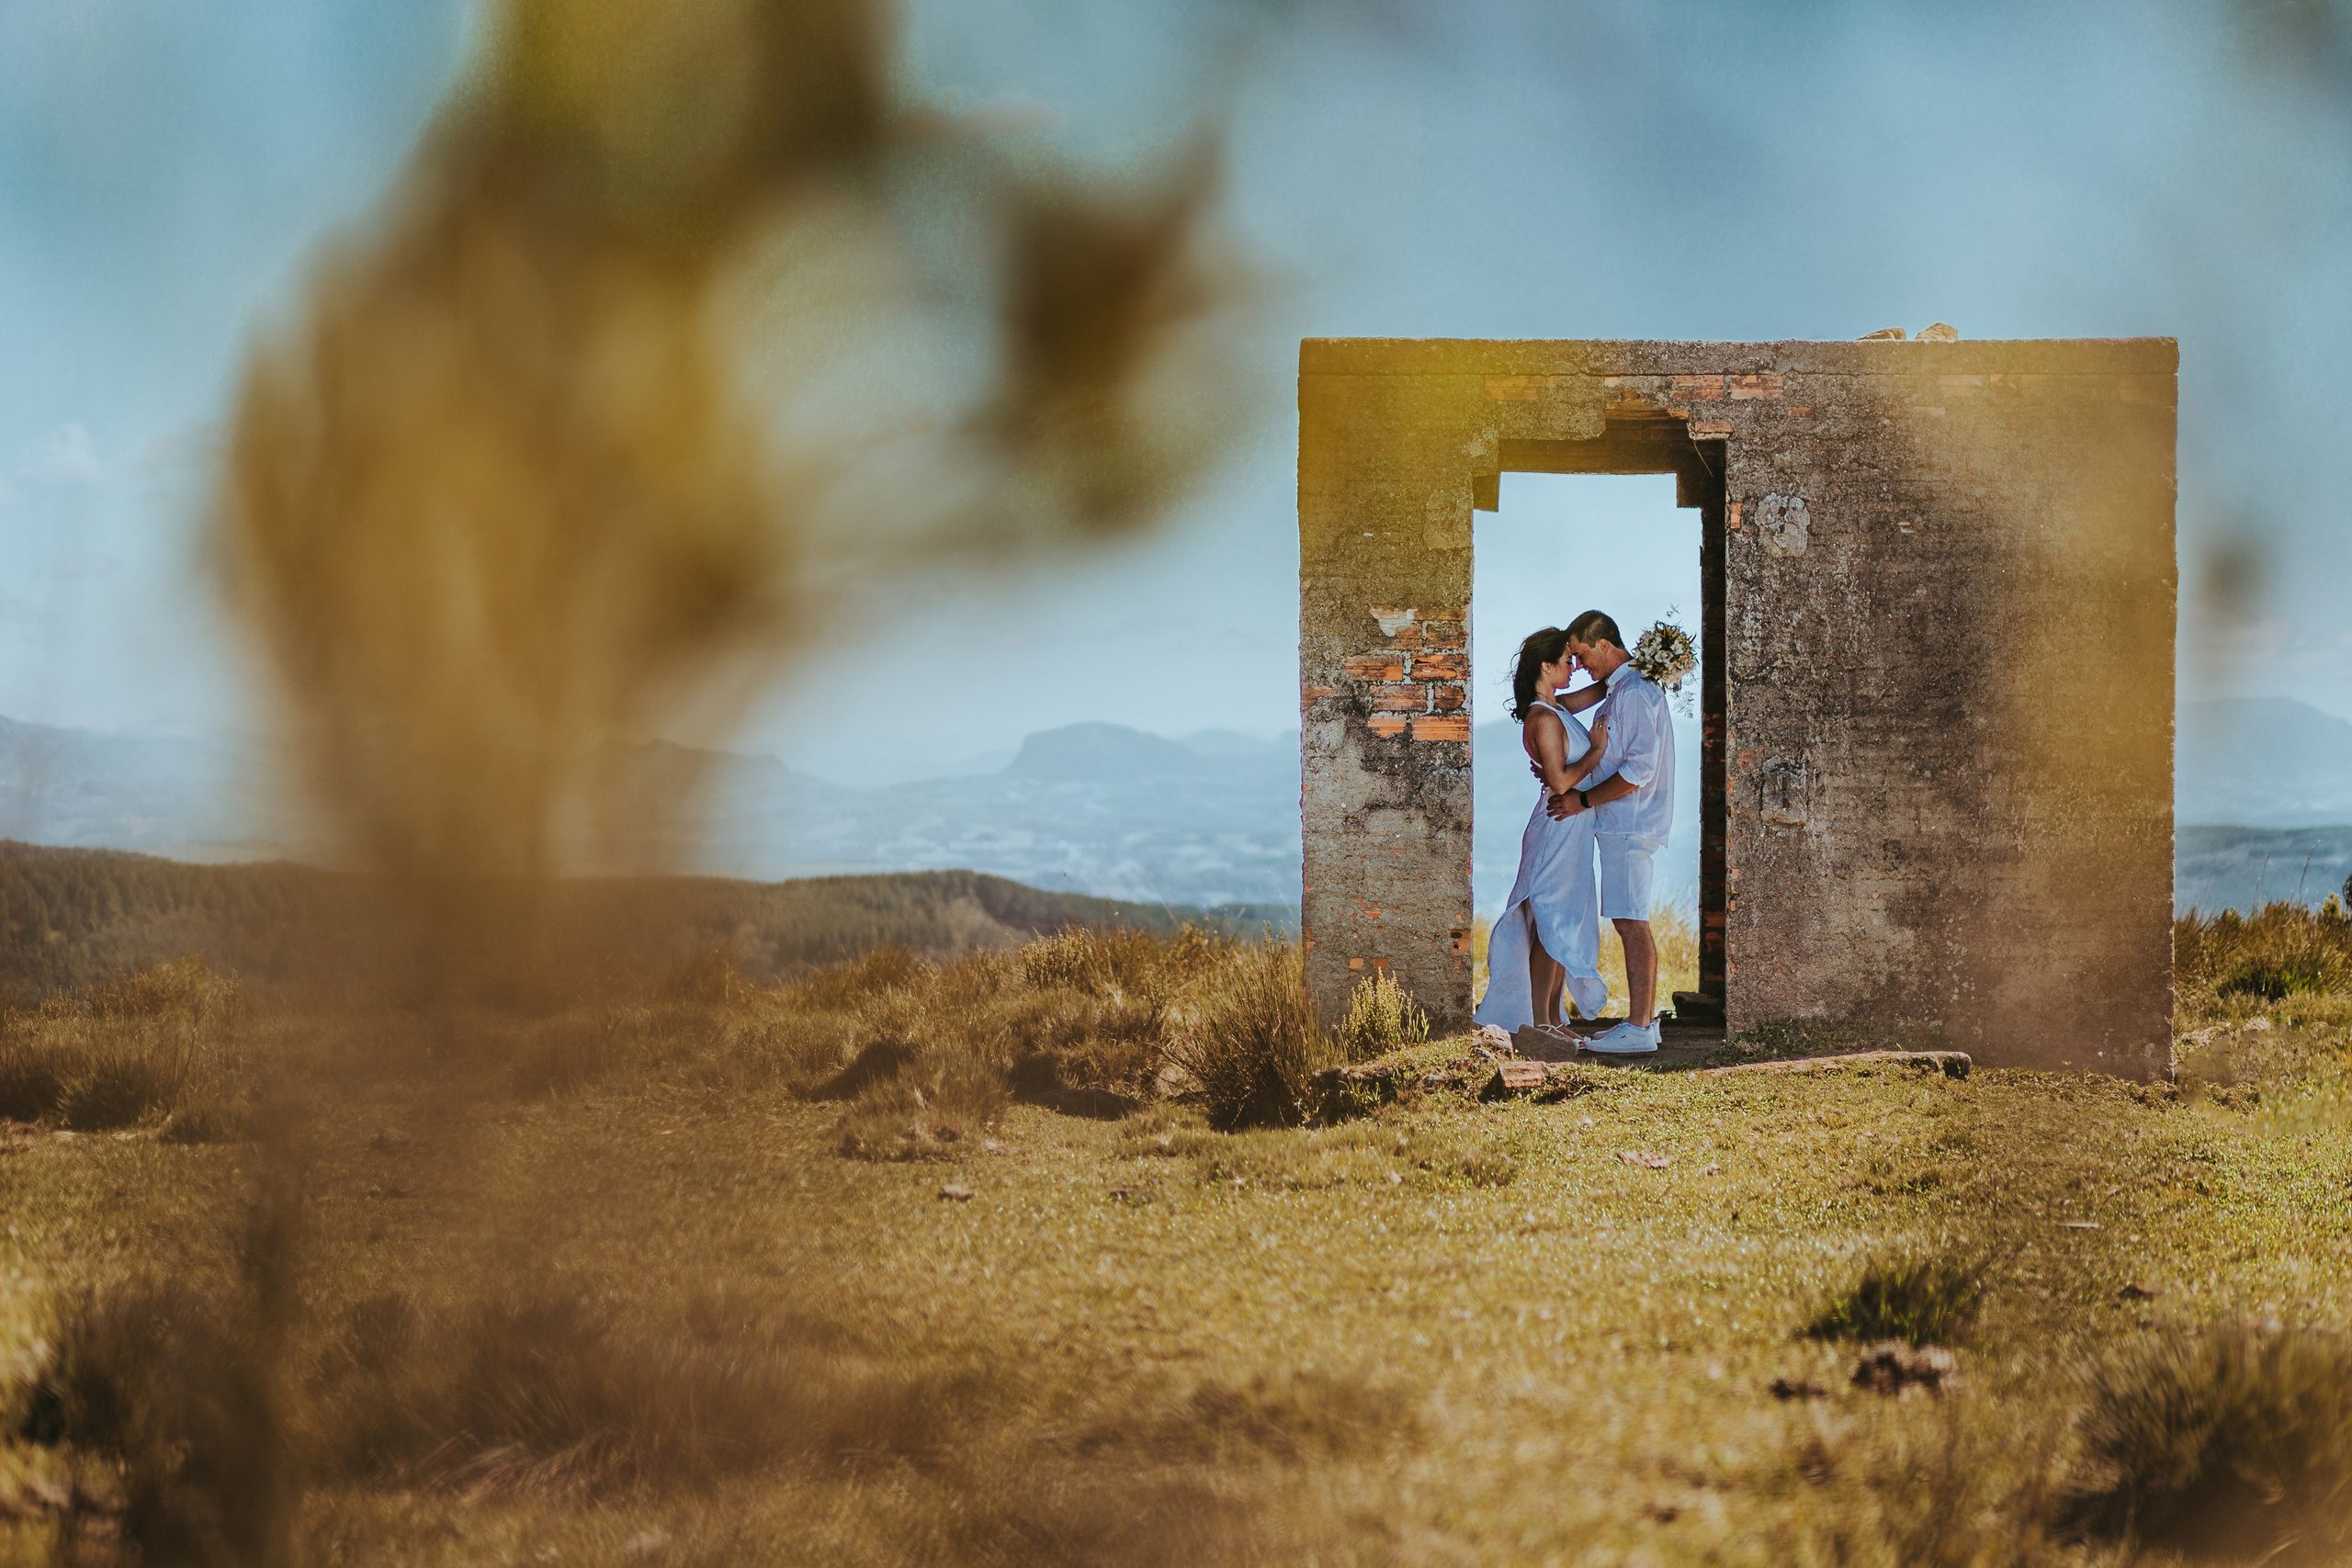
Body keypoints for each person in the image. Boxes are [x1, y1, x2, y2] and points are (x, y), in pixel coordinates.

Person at [1474, 627, 1614, 1041]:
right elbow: (1560, 781)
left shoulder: (1559, 707)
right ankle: (1541, 1023)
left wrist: (1646, 665)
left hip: (1573, 830)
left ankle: (1553, 1019)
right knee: (1552, 922)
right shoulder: (1543, 717)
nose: (1575, 668)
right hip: (1557, 826)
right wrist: (1597, 751)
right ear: (1546, 666)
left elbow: (1601, 689)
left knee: (1562, 922)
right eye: (1568, 661)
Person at [1546, 609, 1676, 1055]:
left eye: (1582, 655)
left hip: (1630, 821)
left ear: (1603, 645)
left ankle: (1640, 1027)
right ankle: (1645, 1025)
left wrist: (1581, 800)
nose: (1579, 665)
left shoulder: (1635, 693)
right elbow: (1590, 718)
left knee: (1631, 922)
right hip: (1622, 822)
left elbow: (1640, 768)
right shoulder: (1622, 688)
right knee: (1628, 919)